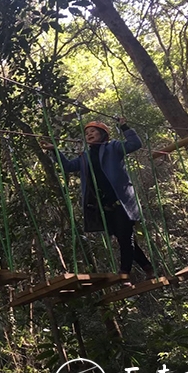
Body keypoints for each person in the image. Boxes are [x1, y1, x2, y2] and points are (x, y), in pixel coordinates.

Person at [42, 118, 154, 283]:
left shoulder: (113, 147)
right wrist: (54, 150)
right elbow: (67, 167)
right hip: (106, 207)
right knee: (124, 238)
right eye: (87, 133)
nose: (89, 135)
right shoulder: (85, 157)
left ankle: (124, 274)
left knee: (125, 237)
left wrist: (124, 126)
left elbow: (135, 144)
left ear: (103, 135)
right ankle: (148, 267)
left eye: (93, 132)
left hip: (122, 202)